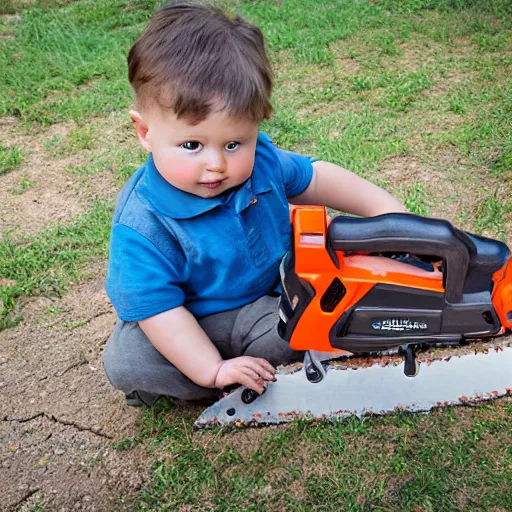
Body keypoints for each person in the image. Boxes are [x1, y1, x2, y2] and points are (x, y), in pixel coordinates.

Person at [102, 1, 407, 407]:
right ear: (145, 132)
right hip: (191, 320)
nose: (216, 165)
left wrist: (390, 213)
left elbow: (317, 177)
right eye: (192, 145)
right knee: (130, 361)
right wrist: (212, 369)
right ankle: (209, 379)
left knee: (313, 319)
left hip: (273, 299)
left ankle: (305, 349)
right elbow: (160, 313)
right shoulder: (143, 224)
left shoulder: (260, 160)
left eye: (233, 143)